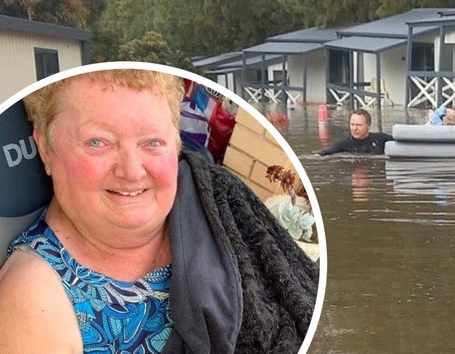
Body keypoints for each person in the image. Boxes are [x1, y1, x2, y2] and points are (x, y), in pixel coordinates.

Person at [0, 69, 318, 354]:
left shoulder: (212, 200)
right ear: (46, 147)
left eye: (152, 142)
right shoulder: (32, 303)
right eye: (98, 142)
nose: (132, 171)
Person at [318, 108, 392, 155]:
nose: (354, 128)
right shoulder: (343, 144)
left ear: (368, 126)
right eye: (352, 124)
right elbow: (326, 152)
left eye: (359, 125)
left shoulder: (381, 139)